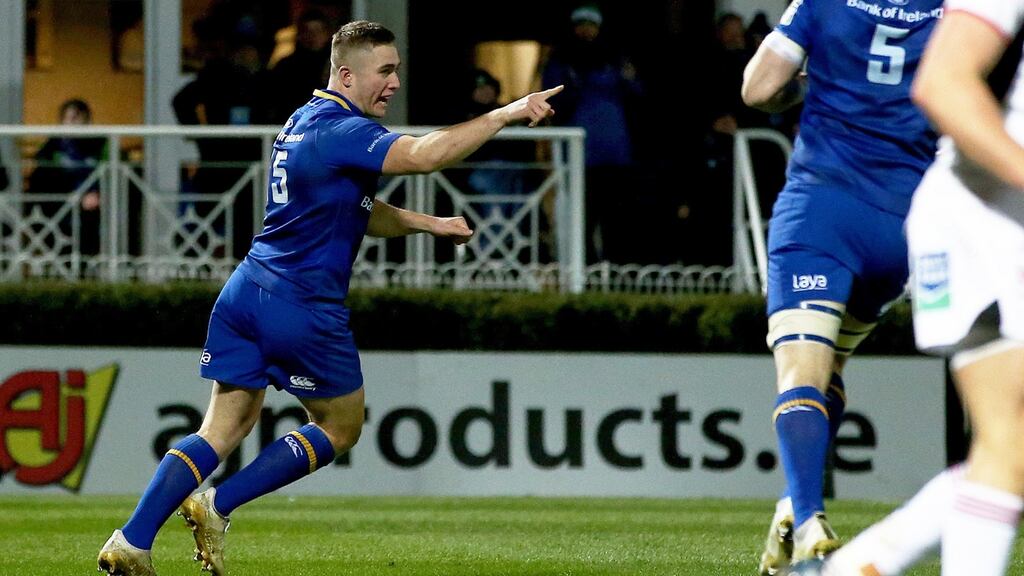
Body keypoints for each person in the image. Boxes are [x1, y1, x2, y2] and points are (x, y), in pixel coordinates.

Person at [96, 20, 562, 576]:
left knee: (221, 428)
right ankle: (218, 504)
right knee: (342, 425)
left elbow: (353, 208)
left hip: (247, 290)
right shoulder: (342, 130)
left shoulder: (302, 122)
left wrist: (426, 224)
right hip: (301, 304)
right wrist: (507, 113)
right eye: (384, 72)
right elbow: (428, 154)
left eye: (396, 71)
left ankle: (132, 540)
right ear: (346, 74)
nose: (393, 83)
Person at [785, 3, 1024, 575]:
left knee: (1009, 445)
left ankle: (851, 567)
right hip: (983, 219)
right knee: (1009, 439)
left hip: (997, 216)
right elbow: (942, 83)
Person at [740, 1, 942, 573]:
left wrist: (808, 88)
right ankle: (789, 504)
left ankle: (808, 521)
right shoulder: (955, 10)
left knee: (801, 369)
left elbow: (758, 88)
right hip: (903, 225)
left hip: (821, 210)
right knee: (830, 368)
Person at [541, 4, 641, 263]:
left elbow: (638, 96)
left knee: (615, 214)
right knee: (582, 213)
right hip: (579, 153)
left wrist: (628, 81)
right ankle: (584, 268)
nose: (586, 31)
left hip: (615, 152)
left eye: (591, 25)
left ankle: (616, 267)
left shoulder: (616, 58)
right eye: (581, 25)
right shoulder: (561, 61)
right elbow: (551, 102)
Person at [26, 99, 105, 256]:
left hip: (91, 204)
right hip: (59, 203)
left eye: (77, 118)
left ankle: (88, 265)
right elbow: (41, 170)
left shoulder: (99, 142)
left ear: (87, 120)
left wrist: (96, 191)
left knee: (90, 227)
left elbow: (110, 171)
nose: (72, 124)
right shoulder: (54, 143)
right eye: (68, 119)